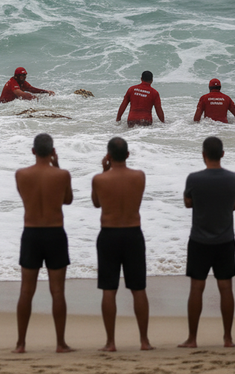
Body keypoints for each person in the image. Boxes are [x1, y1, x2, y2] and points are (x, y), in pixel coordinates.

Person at [91, 137, 153, 351]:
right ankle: (144, 341)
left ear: (108, 156)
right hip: (133, 234)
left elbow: (96, 203)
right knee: (138, 289)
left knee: (109, 289)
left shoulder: (99, 179)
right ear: (128, 155)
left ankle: (110, 342)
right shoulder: (139, 177)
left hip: (109, 235)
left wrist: (105, 170)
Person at [13, 133, 73, 353]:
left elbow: (25, 197)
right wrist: (57, 168)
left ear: (33, 151)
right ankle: (60, 344)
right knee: (57, 291)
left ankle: (20, 344)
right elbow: (67, 200)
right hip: (55, 233)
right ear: (53, 152)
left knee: (26, 291)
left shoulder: (21, 175)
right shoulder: (62, 175)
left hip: (31, 234)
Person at [178, 137, 235, 349]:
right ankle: (228, 338)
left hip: (199, 239)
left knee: (196, 288)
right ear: (222, 154)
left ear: (203, 154)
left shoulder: (194, 179)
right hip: (225, 239)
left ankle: (192, 339)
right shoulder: (233, 179)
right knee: (226, 287)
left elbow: (188, 203)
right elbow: (233, 206)